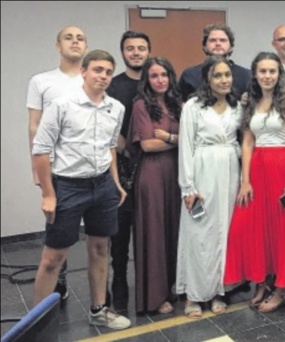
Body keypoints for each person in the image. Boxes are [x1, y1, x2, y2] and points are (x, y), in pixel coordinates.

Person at [31, 49, 131, 330]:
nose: (103, 76)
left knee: (100, 248)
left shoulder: (116, 108)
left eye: (108, 72)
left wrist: (116, 182)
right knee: (54, 257)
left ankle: (99, 310)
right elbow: (40, 151)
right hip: (68, 187)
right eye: (98, 70)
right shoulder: (62, 105)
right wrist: (49, 194)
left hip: (102, 186)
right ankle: (37, 324)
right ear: (84, 72)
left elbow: (110, 148)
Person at [223, 52, 285, 313]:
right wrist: (245, 180)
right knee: (252, 227)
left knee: (283, 230)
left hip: (282, 167)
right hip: (257, 169)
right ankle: (262, 281)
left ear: (279, 74)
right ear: (255, 74)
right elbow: (248, 141)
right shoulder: (252, 101)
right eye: (262, 71)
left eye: (272, 71)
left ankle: (282, 288)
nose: (267, 76)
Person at [176, 56, 242, 318]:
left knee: (224, 231)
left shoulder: (237, 106)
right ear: (207, 79)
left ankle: (218, 290)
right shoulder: (193, 106)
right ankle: (193, 294)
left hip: (230, 171)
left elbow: (239, 142)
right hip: (202, 170)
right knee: (198, 232)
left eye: (227, 75)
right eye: (218, 76)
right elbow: (186, 146)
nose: (224, 80)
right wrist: (188, 187)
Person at [26, 25, 88, 303]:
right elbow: (34, 126)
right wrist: (37, 168)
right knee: (59, 231)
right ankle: (58, 283)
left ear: (85, 47)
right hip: (58, 171)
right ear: (57, 46)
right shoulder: (41, 81)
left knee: (98, 236)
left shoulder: (92, 79)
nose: (75, 42)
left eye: (80, 38)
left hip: (90, 168)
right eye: (68, 37)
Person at [127, 57, 182, 314]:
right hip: (152, 175)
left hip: (177, 174)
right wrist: (179, 139)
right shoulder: (141, 105)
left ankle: (173, 285)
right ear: (146, 80)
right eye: (154, 76)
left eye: (164, 74)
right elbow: (148, 145)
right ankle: (155, 296)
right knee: (155, 234)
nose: (160, 80)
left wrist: (171, 138)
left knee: (175, 230)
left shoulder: (177, 104)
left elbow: (193, 137)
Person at [105, 30, 151, 309]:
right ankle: (119, 281)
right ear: (123, 52)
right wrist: (122, 146)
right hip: (119, 165)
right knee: (120, 231)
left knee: (151, 229)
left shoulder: (156, 81)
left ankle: (154, 282)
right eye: (130, 48)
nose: (136, 52)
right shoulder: (113, 85)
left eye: (141, 48)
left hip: (152, 164)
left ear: (148, 51)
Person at [178, 23, 250, 102]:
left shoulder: (247, 76)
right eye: (212, 40)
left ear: (231, 47)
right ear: (204, 47)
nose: (218, 44)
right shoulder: (189, 75)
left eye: (223, 40)